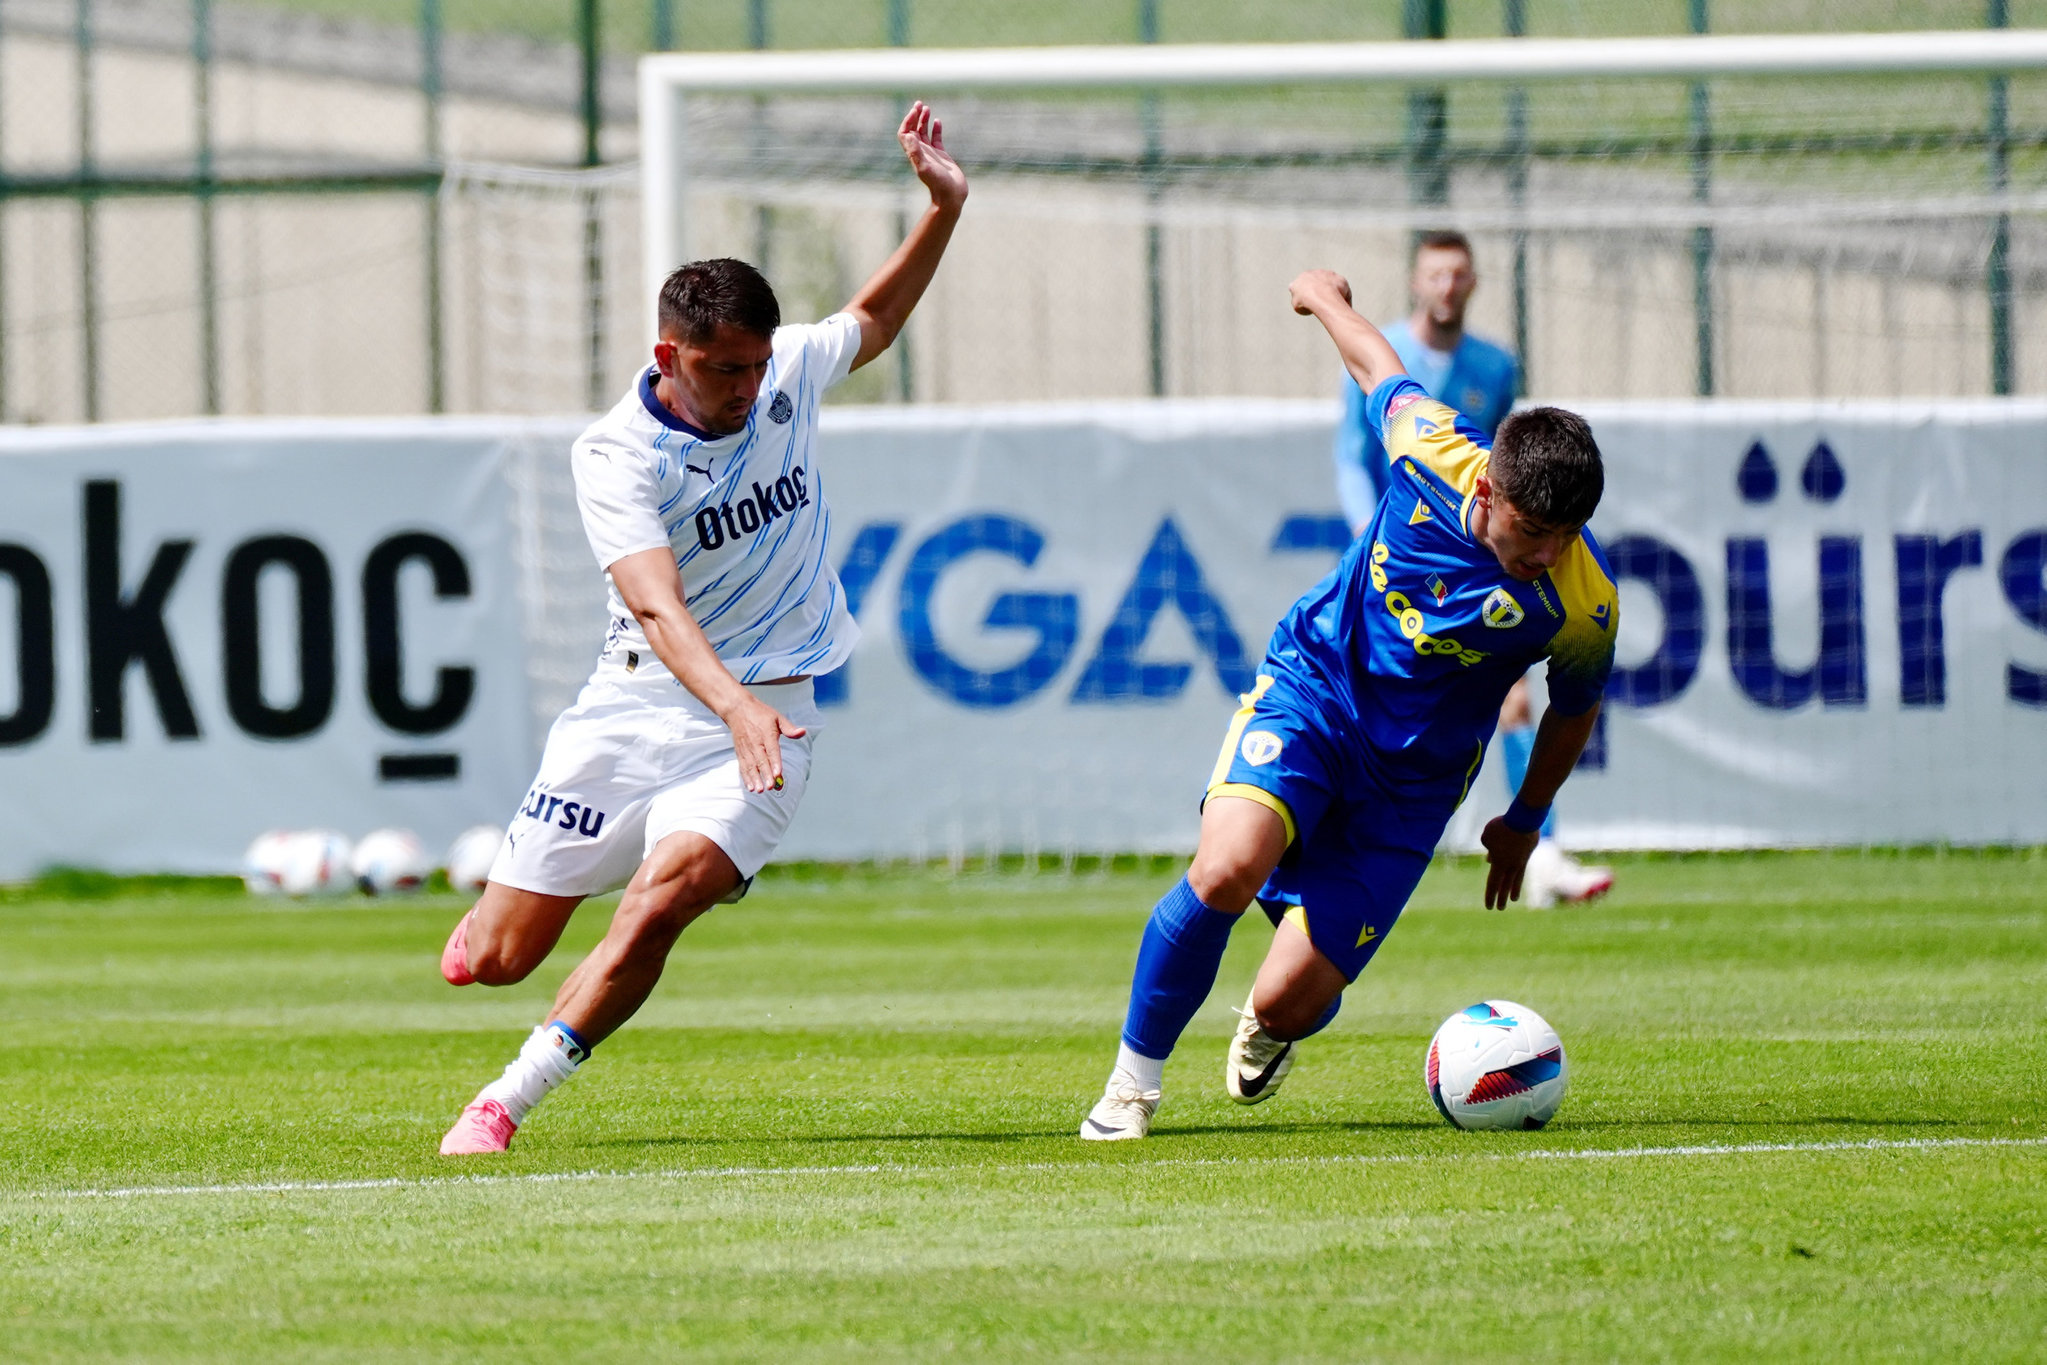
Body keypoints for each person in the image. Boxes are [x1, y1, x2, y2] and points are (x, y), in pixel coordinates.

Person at [434, 102, 967, 1156]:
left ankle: (502, 1102)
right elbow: (655, 605)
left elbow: (873, 318)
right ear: (667, 355)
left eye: (759, 366)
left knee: (659, 903)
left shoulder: (781, 383)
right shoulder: (615, 456)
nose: (748, 388)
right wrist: (724, 706)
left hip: (769, 718)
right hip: (636, 706)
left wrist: (942, 211)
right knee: (493, 957)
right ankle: (521, 898)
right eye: (724, 370)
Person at [1080, 267, 1618, 1141]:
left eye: (1567, 536)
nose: (1548, 552)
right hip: (1314, 692)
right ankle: (1130, 1088)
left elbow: (1574, 706)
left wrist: (1524, 820)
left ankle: (1273, 1024)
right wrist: (1323, 298)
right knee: (1223, 869)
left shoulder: (1584, 598)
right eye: (1532, 532)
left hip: (1413, 787)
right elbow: (1377, 369)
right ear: (1487, 491)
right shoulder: (1433, 451)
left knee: (1287, 1000)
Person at [1333, 230, 1609, 908]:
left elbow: (1510, 464)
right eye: (1435, 274)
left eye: (1458, 274)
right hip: (1397, 556)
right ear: (1413, 282)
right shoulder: (1388, 351)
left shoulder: (1494, 365)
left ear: (1475, 282)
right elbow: (1350, 455)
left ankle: (1539, 845)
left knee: (1515, 697)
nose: (1446, 286)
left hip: (1486, 562)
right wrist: (1374, 534)